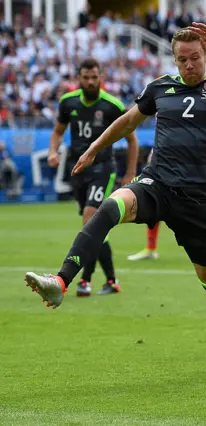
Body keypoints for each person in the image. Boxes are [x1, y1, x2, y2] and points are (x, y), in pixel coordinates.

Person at [24, 23, 206, 349]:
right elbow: (127, 122)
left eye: (195, 58)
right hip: (156, 183)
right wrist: (95, 148)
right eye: (182, 59)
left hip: (197, 197)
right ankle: (60, 280)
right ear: (174, 60)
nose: (189, 65)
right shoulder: (159, 88)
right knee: (111, 206)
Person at [48, 57, 139, 297]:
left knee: (90, 220)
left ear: (100, 78)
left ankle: (85, 280)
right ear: (78, 78)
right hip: (78, 170)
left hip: (102, 169)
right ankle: (110, 280)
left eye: (94, 77)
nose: (90, 81)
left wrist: (130, 172)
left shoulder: (112, 105)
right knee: (92, 227)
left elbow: (132, 138)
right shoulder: (68, 102)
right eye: (85, 77)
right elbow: (58, 131)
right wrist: (52, 151)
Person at [127, 151, 206, 261]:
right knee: (155, 212)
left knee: (187, 218)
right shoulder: (166, 138)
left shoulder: (185, 140)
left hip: (180, 183)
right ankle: (150, 248)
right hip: (168, 182)